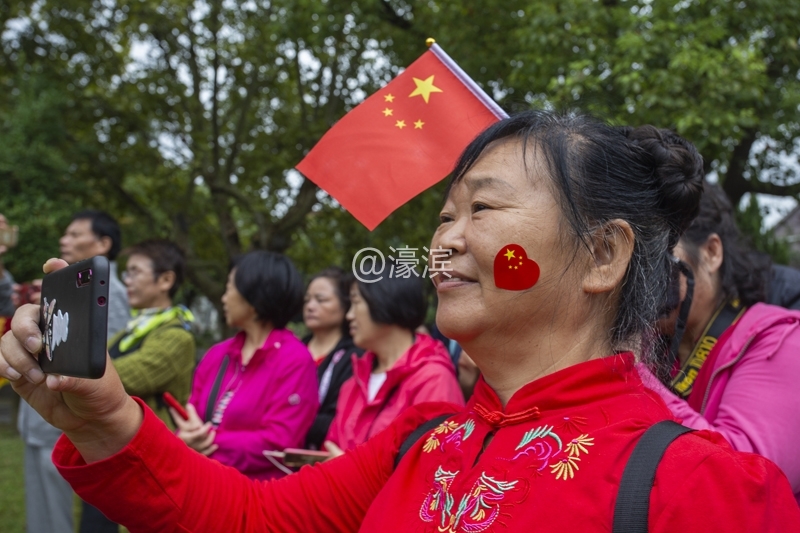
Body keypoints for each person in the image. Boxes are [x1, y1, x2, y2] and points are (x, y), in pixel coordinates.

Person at [2, 111, 799, 532]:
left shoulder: (700, 482)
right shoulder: (424, 439)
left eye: (482, 208)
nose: (445, 239)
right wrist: (108, 420)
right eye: (444, 215)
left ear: (602, 255)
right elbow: (244, 517)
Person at [639, 183, 800, 502]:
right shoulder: (655, 349)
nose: (641, 280)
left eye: (657, 256)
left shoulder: (778, 340)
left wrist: (630, 372)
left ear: (711, 252)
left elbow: (747, 485)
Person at [13, 210, 130, 533]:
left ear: (103, 243)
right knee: (41, 511)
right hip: (41, 420)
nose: (65, 240)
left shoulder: (111, 292)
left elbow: (106, 359)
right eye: (66, 234)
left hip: (61, 424)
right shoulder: (74, 287)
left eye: (76, 234)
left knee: (54, 516)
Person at [80, 238, 196, 532]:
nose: (126, 281)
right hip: (112, 455)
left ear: (166, 280)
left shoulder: (176, 338)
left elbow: (116, 375)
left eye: (134, 272)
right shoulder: (128, 333)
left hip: (149, 464)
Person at [175, 251, 318, 479]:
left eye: (230, 288)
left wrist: (207, 440)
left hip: (256, 497)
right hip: (202, 483)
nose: (224, 297)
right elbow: (191, 413)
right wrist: (184, 436)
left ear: (253, 298)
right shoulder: (218, 354)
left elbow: (278, 441)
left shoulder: (295, 360)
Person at [323, 272, 464, 454]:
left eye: (356, 302)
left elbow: (434, 466)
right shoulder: (354, 382)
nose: (349, 315)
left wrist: (351, 475)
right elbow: (329, 449)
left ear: (384, 300)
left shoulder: (433, 380)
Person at [302, 267, 363, 449]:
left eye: (321, 300)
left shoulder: (355, 355)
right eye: (307, 300)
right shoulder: (294, 350)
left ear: (345, 305)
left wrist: (291, 420)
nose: (310, 306)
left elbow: (338, 418)